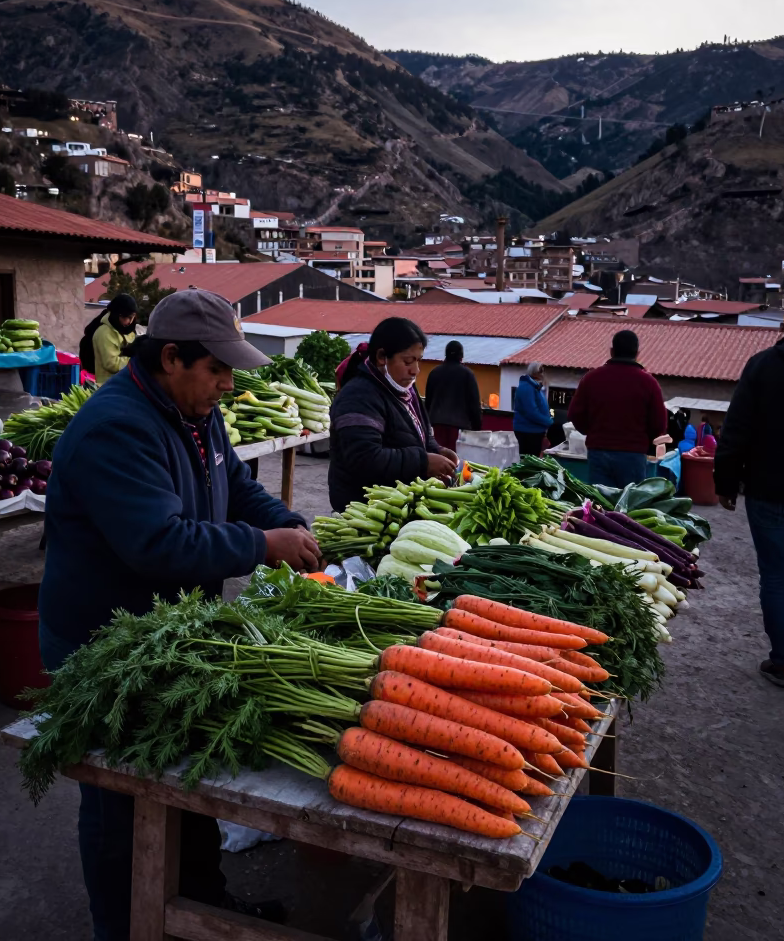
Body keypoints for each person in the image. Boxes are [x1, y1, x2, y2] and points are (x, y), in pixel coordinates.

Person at [40, 288, 320, 939]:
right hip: (102, 644)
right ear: (171, 358)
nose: (227, 382)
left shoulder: (195, 412)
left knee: (187, 784)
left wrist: (286, 523)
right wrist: (261, 546)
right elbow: (157, 543)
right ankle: (123, 926)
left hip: (166, 634)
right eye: (217, 369)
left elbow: (237, 486)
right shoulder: (117, 427)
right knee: (120, 800)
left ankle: (204, 907)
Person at [714, 289, 784, 688]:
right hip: (772, 490)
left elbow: (736, 431)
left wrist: (726, 483)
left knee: (778, 578)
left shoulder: (763, 366)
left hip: (771, 491)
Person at [329, 317, 457, 511]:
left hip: (397, 504)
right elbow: (365, 458)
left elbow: (417, 432)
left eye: (418, 360)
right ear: (382, 357)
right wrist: (423, 462)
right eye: (407, 361)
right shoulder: (358, 397)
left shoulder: (405, 390)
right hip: (365, 510)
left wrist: (436, 450)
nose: (415, 370)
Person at [566, 328, 668, 488]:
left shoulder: (592, 378)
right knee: (629, 506)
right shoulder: (648, 383)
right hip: (633, 455)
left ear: (612, 351)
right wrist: (641, 439)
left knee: (601, 507)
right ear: (637, 353)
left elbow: (575, 413)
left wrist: (592, 432)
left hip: (598, 452)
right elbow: (659, 425)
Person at [424, 340, 482, 452]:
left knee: (438, 461)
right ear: (461, 356)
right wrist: (477, 428)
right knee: (455, 463)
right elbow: (474, 405)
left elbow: (428, 403)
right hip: (459, 428)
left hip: (436, 425)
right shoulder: (467, 374)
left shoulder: (434, 372)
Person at [80, 293, 138, 383]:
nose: (130, 321)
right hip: (109, 386)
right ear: (116, 314)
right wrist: (137, 360)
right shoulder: (104, 333)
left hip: (126, 383)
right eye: (126, 317)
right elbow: (112, 364)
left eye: (132, 317)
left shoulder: (128, 329)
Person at [513, 362, 553, 456]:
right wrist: (548, 422)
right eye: (540, 370)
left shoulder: (534, 387)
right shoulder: (527, 387)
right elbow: (531, 412)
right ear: (534, 372)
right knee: (528, 463)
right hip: (528, 432)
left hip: (535, 431)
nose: (542, 373)